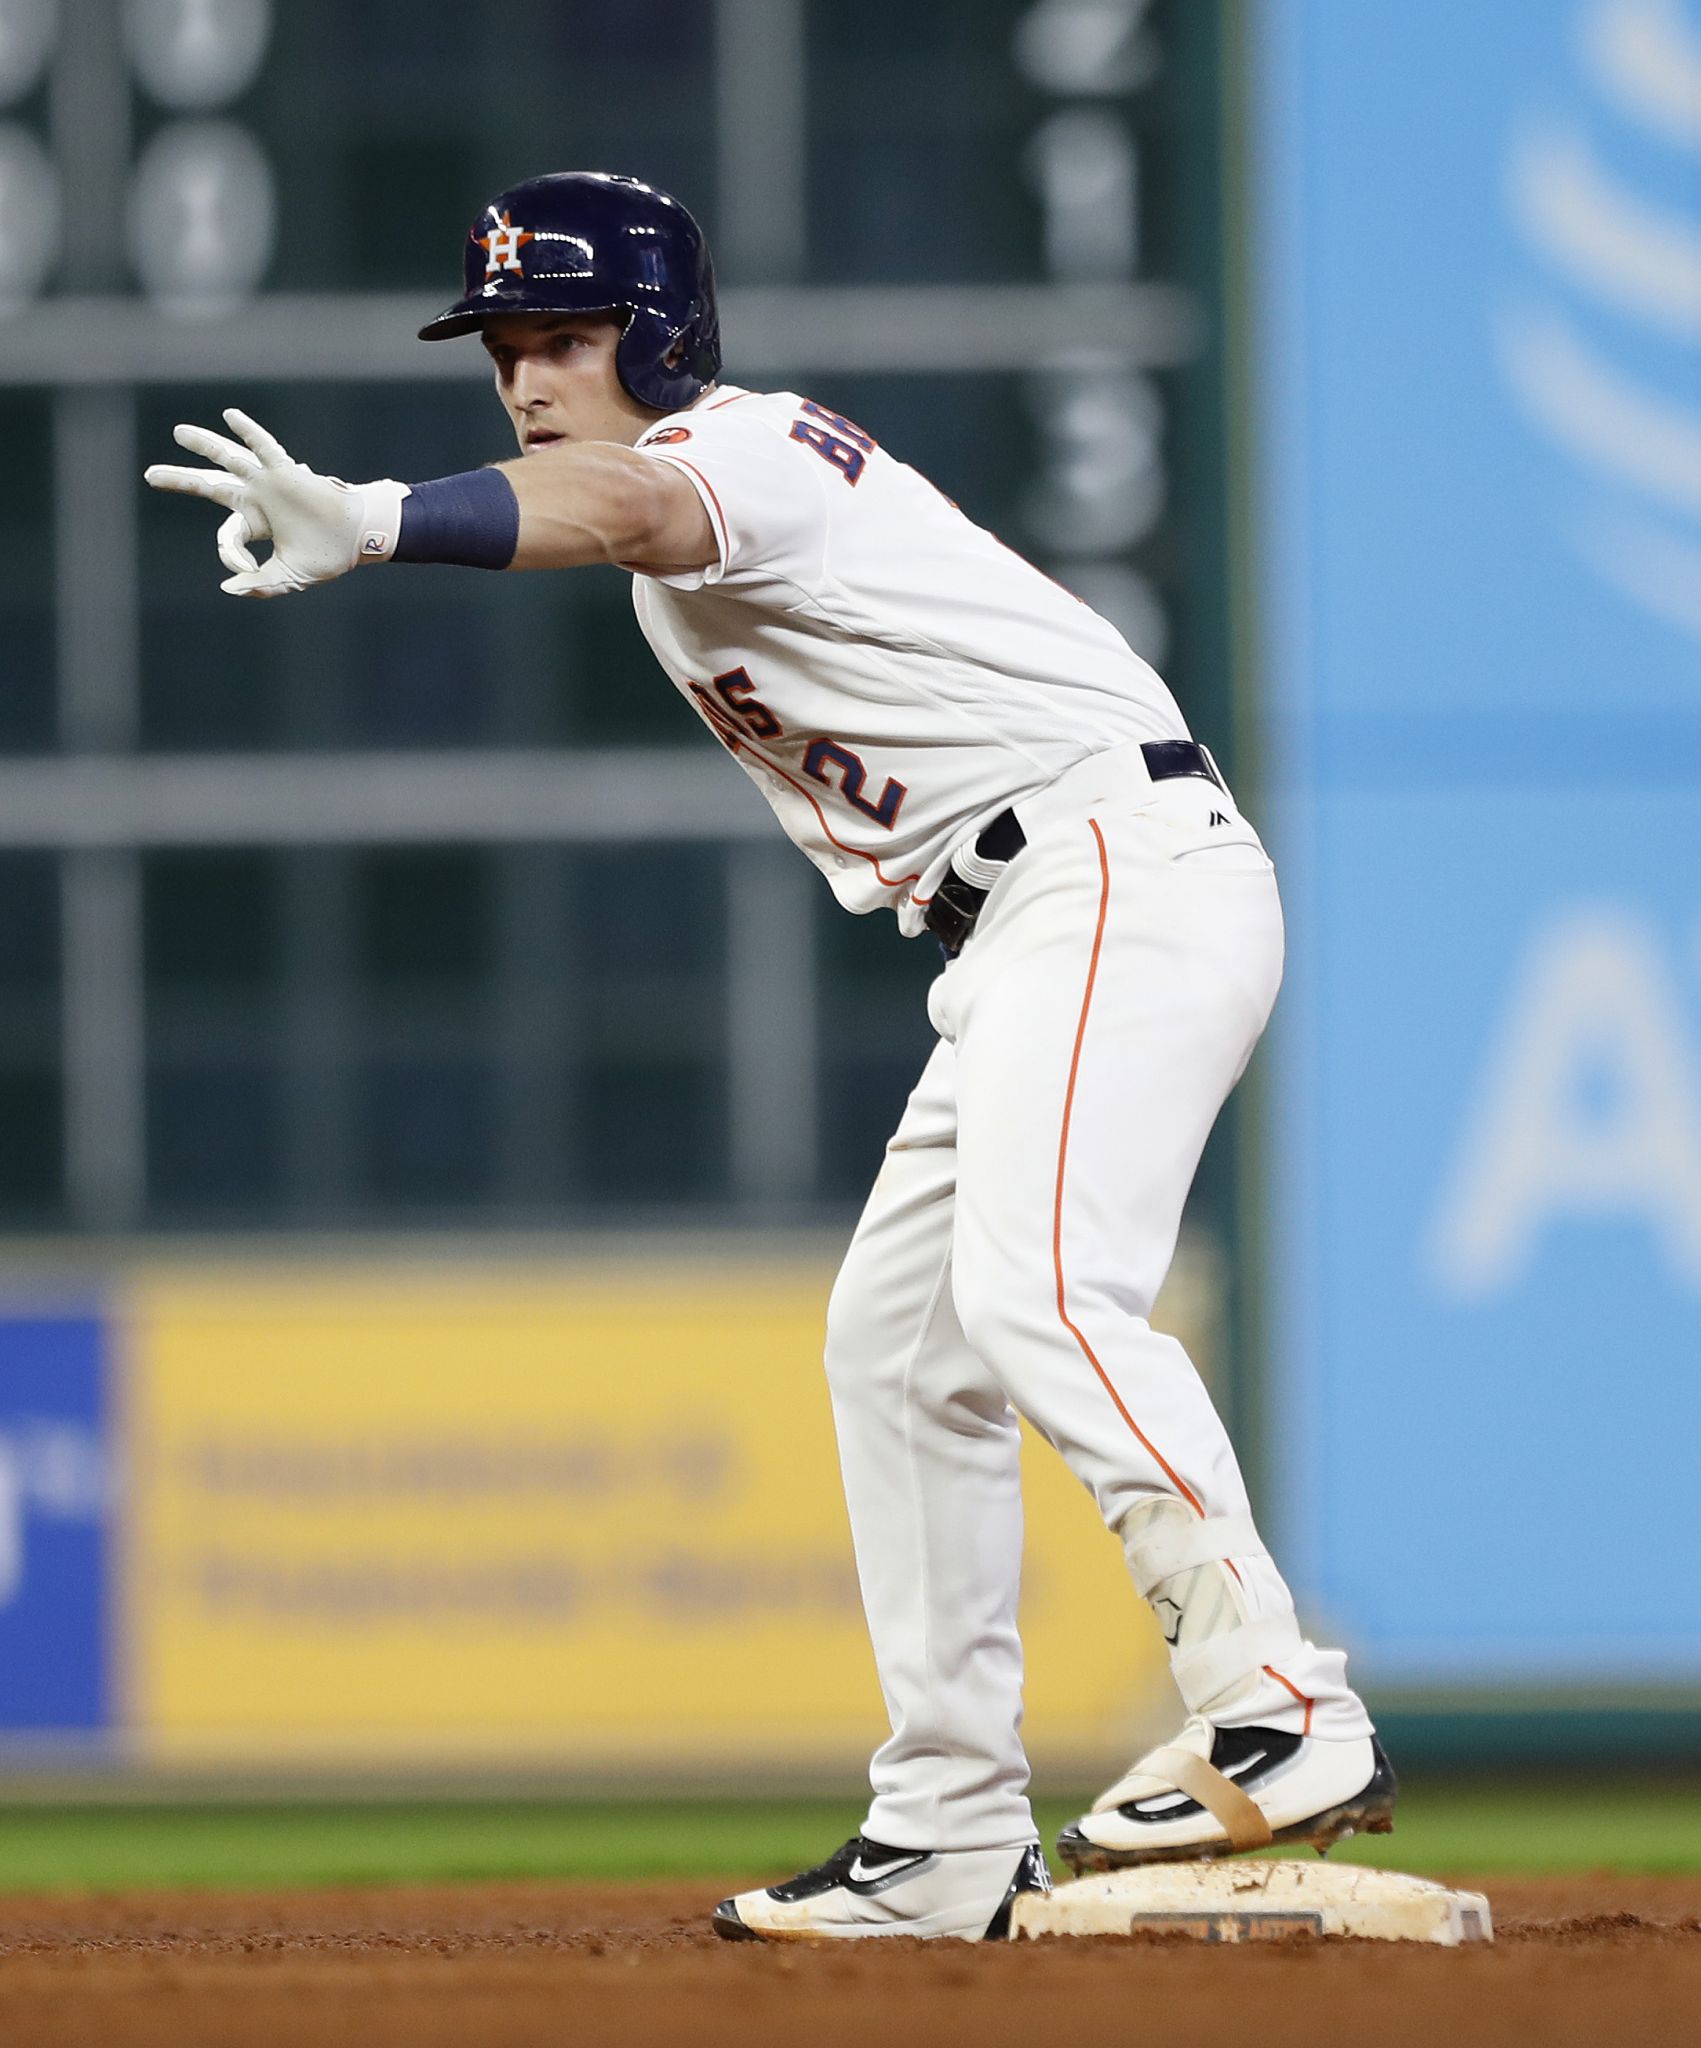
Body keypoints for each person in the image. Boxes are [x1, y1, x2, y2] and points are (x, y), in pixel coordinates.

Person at [145, 171, 1394, 1944]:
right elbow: (607, 505)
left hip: (1111, 867)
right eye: (503, 344)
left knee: (1043, 1292)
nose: (523, 375)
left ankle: (1279, 1706)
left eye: (563, 333)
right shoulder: (690, 508)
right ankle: (949, 1834)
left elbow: (625, 498)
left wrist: (379, 514)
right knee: (896, 1352)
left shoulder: (754, 456)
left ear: (659, 332)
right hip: (1029, 920)